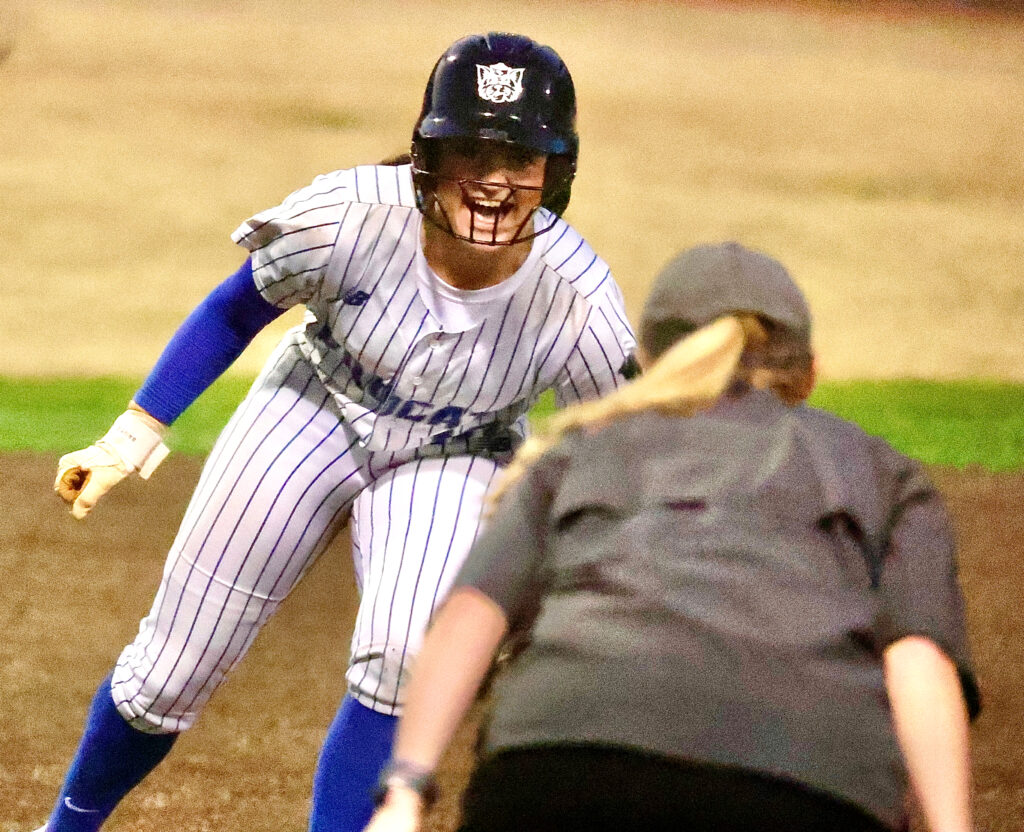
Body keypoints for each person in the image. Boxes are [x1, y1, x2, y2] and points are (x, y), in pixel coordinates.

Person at [36, 32, 636, 832]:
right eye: (472, 152)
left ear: (554, 171)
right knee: (166, 675)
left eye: (519, 158)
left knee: (403, 664)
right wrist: (133, 434)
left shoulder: (580, 305)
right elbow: (236, 308)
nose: (494, 182)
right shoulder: (347, 215)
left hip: (461, 453)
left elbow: (626, 446)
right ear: (428, 156)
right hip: (311, 407)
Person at [364, 242, 980, 832]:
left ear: (647, 362)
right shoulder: (881, 471)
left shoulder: (577, 452)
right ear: (809, 374)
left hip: (559, 762)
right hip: (806, 785)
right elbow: (916, 658)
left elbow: (473, 611)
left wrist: (406, 791)